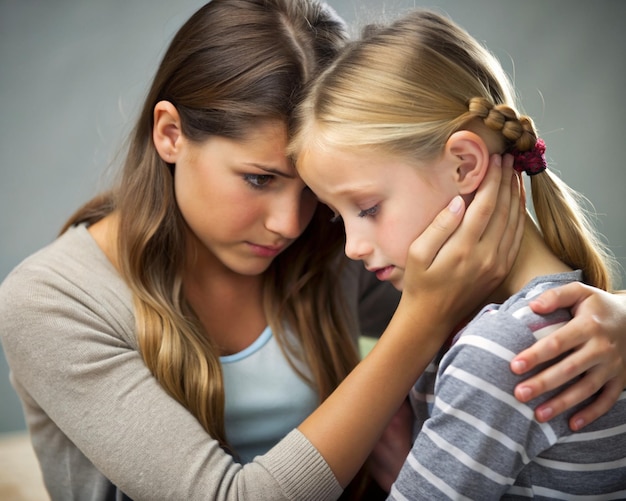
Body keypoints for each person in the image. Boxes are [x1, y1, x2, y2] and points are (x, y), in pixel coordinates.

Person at [0, 1, 624, 500]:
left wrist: (620, 315)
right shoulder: (48, 302)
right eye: (259, 178)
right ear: (170, 134)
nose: (291, 224)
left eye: (318, 199)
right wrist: (423, 318)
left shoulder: (328, 249)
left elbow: (516, 309)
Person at [291, 8, 626, 497]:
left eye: (368, 208)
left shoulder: (503, 348)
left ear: (464, 165)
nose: (354, 247)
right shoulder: (550, 315)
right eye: (339, 217)